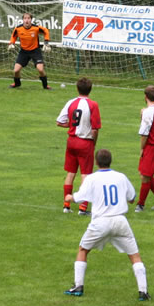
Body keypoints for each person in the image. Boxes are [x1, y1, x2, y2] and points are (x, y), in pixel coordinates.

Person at [63, 148, 151, 301]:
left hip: (100, 222)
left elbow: (79, 197)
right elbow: (132, 198)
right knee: (134, 255)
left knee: (83, 249)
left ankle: (78, 286)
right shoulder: (121, 177)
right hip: (120, 221)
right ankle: (143, 292)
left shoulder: (91, 178)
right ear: (110, 161)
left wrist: (70, 197)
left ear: (96, 162)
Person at [56, 77, 101, 216]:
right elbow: (95, 128)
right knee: (85, 175)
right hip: (85, 142)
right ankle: (82, 207)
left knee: (70, 172)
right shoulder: (93, 105)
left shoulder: (71, 102)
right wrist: (94, 142)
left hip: (71, 141)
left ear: (77, 89)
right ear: (90, 90)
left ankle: (66, 205)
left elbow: (59, 121)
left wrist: (70, 126)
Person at [8, 12, 51, 89]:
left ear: (31, 20)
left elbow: (46, 31)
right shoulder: (18, 28)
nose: (27, 20)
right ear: (23, 20)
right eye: (25, 18)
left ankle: (45, 85)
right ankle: (17, 84)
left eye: (28, 18)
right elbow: (13, 36)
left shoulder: (36, 28)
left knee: (40, 69)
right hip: (24, 51)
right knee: (16, 70)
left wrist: (46, 42)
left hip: (35, 51)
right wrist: (12, 43)